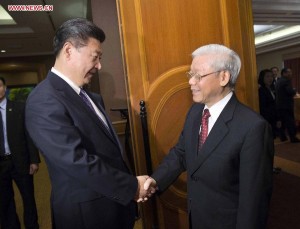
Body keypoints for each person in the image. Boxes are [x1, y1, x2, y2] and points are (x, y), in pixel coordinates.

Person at [25, 18, 151, 229]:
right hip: (86, 216)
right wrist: (131, 186)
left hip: (113, 205)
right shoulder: (44, 99)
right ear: (68, 50)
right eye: (95, 57)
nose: (99, 66)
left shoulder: (91, 97)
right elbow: (76, 160)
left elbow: (109, 153)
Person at [143, 44, 274, 229]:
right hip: (197, 219)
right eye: (190, 75)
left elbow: (254, 200)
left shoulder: (253, 127)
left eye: (198, 75)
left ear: (223, 77)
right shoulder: (196, 112)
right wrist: (155, 180)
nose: (191, 82)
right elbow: (181, 153)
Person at [0, 77, 40, 229]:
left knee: (28, 199)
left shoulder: (19, 107)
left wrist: (34, 160)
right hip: (1, 164)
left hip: (21, 161)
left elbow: (28, 134)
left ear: (5, 87)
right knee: (5, 201)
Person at [275, 67, 300, 143]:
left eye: (291, 72)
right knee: (290, 121)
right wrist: (294, 90)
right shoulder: (286, 81)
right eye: (288, 72)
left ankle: (283, 137)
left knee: (283, 122)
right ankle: (293, 137)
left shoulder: (279, 81)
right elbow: (289, 91)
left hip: (279, 104)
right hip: (286, 105)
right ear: (284, 73)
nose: (290, 74)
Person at [258, 69, 279, 139]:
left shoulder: (270, 88)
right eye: (267, 76)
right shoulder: (261, 91)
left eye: (271, 76)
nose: (270, 79)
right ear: (262, 78)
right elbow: (263, 108)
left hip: (273, 118)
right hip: (267, 119)